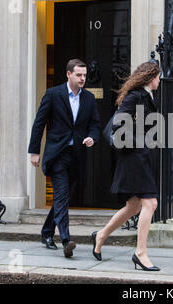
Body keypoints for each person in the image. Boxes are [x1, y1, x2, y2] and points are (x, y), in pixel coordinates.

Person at [91, 61, 161, 271]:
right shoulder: (135, 96)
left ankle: (101, 235)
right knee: (150, 204)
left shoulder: (147, 97)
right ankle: (140, 253)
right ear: (150, 78)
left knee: (133, 206)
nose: (160, 80)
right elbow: (117, 124)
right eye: (158, 76)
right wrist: (137, 142)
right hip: (133, 158)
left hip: (139, 157)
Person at [28, 59, 101, 258]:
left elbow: (95, 124)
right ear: (68, 74)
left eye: (84, 75)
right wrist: (34, 151)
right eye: (79, 75)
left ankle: (46, 233)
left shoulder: (88, 99)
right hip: (57, 154)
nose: (82, 78)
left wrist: (92, 137)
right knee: (61, 196)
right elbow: (39, 123)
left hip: (77, 155)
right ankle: (67, 240)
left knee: (63, 198)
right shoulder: (53, 94)